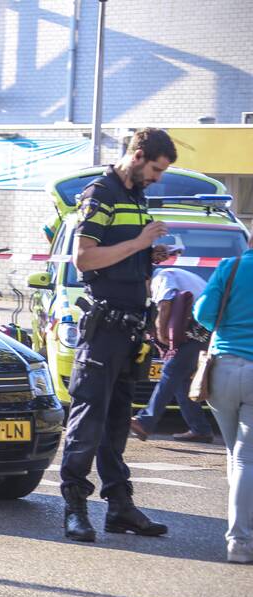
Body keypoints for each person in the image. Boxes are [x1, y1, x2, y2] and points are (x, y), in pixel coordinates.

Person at [60, 128, 175, 542]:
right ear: (139, 155)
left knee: (116, 424)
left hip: (130, 327)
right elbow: (85, 257)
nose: (158, 178)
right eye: (157, 169)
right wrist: (140, 241)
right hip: (105, 325)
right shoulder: (100, 193)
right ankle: (74, 507)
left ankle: (119, 507)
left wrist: (149, 253)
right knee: (88, 418)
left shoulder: (136, 196)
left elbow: (123, 251)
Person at [194, 236, 253, 563]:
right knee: (247, 458)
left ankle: (241, 534)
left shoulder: (229, 267)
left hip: (223, 370)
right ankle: (241, 540)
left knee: (236, 455)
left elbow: (203, 312)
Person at [130, 266, 214, 443]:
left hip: (199, 332)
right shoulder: (174, 275)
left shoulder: (162, 276)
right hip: (203, 330)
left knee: (170, 372)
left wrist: (162, 334)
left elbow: (165, 305)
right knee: (180, 380)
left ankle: (145, 421)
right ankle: (200, 429)